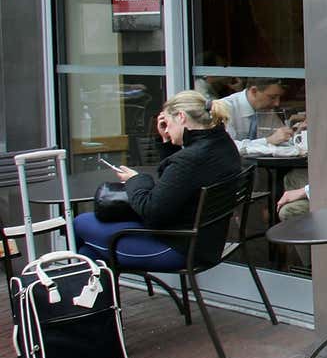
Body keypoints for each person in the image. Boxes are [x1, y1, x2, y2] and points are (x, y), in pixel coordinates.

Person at [75, 91, 244, 271]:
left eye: (168, 124)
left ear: (181, 117)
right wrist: (167, 141)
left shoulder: (190, 159)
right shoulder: (222, 144)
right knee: (89, 252)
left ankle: (85, 293)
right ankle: (93, 297)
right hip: (204, 242)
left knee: (79, 223)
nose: (167, 128)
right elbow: (175, 184)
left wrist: (136, 180)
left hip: (178, 248)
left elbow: (152, 212)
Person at [217, 78, 294, 152]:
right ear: (254, 91)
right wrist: (267, 141)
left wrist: (295, 133)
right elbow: (225, 147)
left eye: (279, 97)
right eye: (272, 97)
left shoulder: (267, 109)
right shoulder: (224, 108)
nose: (277, 103)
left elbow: (282, 139)